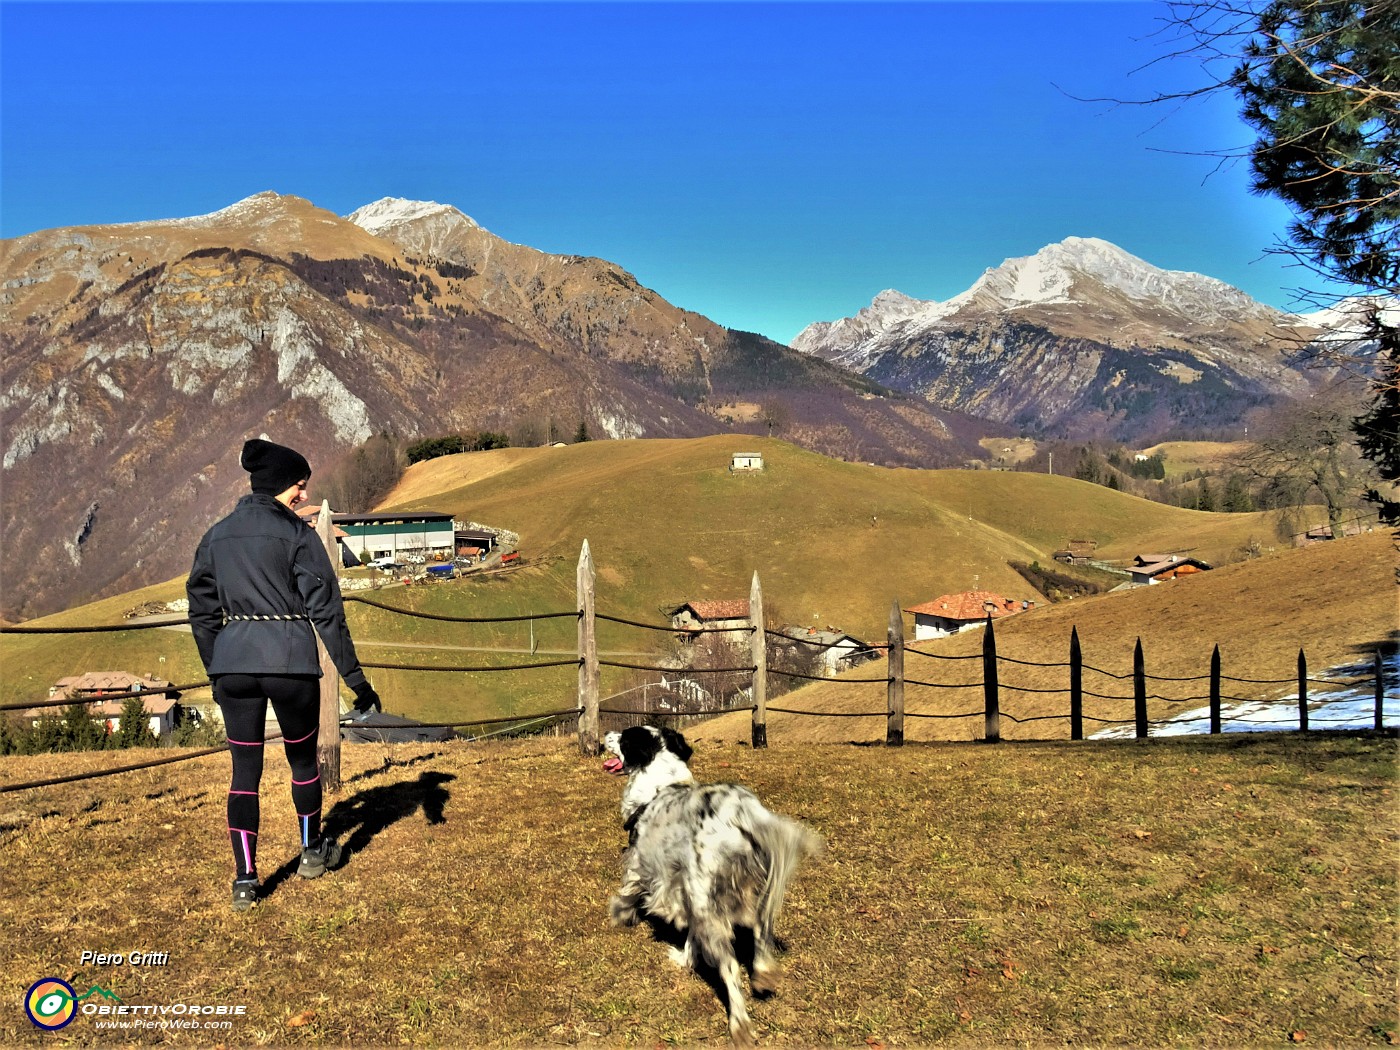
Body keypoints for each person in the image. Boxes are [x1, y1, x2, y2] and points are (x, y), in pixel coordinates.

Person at [187, 438, 381, 911]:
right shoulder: (298, 537)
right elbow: (328, 615)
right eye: (300, 486)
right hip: (290, 663)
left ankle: (245, 880)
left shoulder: (216, 536)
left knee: (243, 774)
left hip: (233, 665)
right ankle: (312, 852)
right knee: (301, 762)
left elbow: (202, 610)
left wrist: (218, 667)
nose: (302, 494)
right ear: (284, 486)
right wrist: (357, 681)